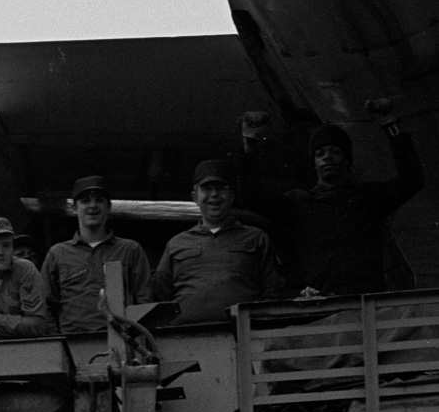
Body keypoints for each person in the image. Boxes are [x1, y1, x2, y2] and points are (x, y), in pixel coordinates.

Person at [240, 100, 424, 295]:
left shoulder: (368, 198)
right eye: (320, 153)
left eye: (335, 151)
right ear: (314, 163)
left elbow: (411, 180)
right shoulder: (300, 203)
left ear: (347, 160)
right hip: (321, 299)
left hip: (368, 299)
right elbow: (252, 197)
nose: (327, 156)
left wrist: (390, 123)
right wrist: (249, 144)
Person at [151, 160, 283, 325]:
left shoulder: (257, 238)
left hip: (245, 338)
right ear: (195, 197)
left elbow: (273, 292)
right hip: (185, 339)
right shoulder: (176, 244)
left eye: (221, 188)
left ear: (232, 196)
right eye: (206, 189)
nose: (214, 194)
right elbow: (160, 296)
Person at [41, 176, 151, 333]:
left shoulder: (130, 250)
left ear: (109, 207)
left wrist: (134, 341)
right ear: (74, 208)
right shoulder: (57, 254)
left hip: (122, 342)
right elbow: (45, 304)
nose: (92, 206)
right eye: (85, 201)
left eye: (99, 200)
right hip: (72, 344)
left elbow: (144, 301)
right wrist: (59, 344)